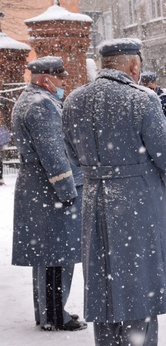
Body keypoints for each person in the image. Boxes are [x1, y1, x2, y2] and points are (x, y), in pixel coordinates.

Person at [62, 38, 166, 345]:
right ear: (134, 66)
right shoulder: (141, 99)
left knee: (105, 289)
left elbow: (72, 154)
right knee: (140, 289)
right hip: (137, 204)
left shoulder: (74, 101)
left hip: (94, 201)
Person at [10, 56, 86, 331]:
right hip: (50, 189)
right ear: (46, 80)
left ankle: (48, 312)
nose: (65, 82)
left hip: (39, 187)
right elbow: (54, 154)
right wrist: (67, 190)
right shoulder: (42, 105)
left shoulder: (29, 100)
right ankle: (54, 315)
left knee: (47, 256)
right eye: (60, 77)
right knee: (57, 256)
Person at [141, 70, 166, 209]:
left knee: (165, 175)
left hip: (163, 142)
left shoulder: (165, 98)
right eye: (145, 84)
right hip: (145, 145)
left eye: (151, 84)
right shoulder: (139, 96)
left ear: (155, 83)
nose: (149, 87)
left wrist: (162, 127)